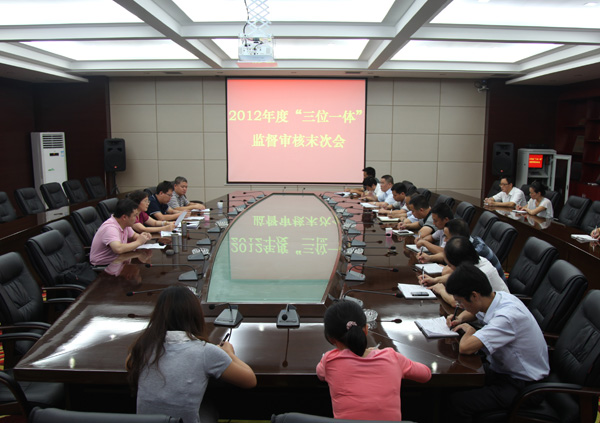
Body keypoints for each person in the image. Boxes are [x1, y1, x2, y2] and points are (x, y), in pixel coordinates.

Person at [127, 285, 256, 423]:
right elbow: (250, 380)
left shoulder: (143, 348)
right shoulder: (206, 351)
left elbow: (129, 365)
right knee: (207, 406)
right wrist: (229, 354)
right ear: (195, 315)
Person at [445, 264, 549, 422]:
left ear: (474, 296)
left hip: (523, 386)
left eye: (460, 302)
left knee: (458, 403)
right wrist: (460, 318)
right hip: (504, 371)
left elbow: (465, 348)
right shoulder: (497, 298)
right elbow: (475, 313)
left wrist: (471, 331)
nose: (460, 307)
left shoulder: (507, 317)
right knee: (452, 383)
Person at [316, 300, 431, 421]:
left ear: (330, 338)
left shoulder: (329, 360)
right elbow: (426, 375)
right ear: (366, 329)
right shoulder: (392, 357)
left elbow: (320, 374)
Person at [421, 236, 509, 308]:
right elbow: (457, 276)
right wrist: (436, 280)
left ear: (460, 265)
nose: (448, 268)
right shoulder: (477, 260)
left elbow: (457, 303)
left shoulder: (477, 274)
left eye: (450, 265)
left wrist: (441, 290)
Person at [419, 218, 506, 282]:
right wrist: (430, 258)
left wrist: (446, 269)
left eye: (447, 237)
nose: (445, 240)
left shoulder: (475, 251)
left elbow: (447, 272)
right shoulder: (469, 242)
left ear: (457, 238)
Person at [90, 198, 152, 266]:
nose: (136, 218)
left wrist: (143, 237)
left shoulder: (124, 223)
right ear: (124, 217)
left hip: (119, 260)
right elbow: (118, 249)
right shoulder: (110, 228)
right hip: (104, 266)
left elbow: (133, 236)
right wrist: (139, 242)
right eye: (134, 215)